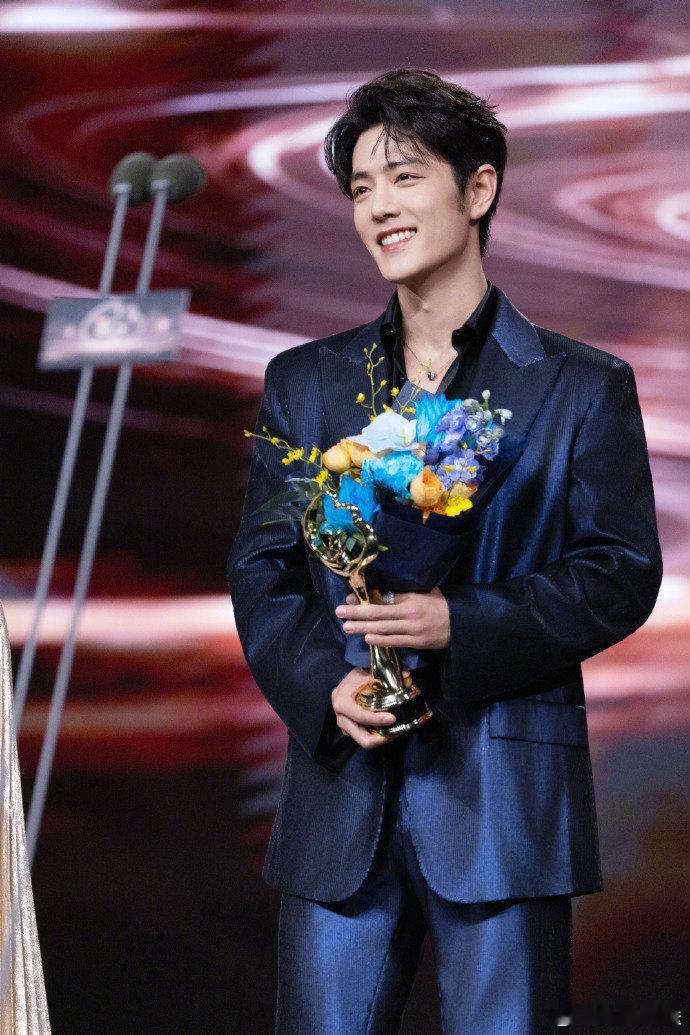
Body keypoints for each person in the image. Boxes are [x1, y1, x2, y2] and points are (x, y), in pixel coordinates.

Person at [227, 68, 662, 1033]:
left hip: (506, 804)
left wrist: (458, 622)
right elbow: (263, 568)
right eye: (361, 189)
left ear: (478, 189)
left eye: (404, 176)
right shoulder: (305, 382)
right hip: (342, 798)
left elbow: (621, 571)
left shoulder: (580, 385)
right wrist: (325, 689)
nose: (379, 206)